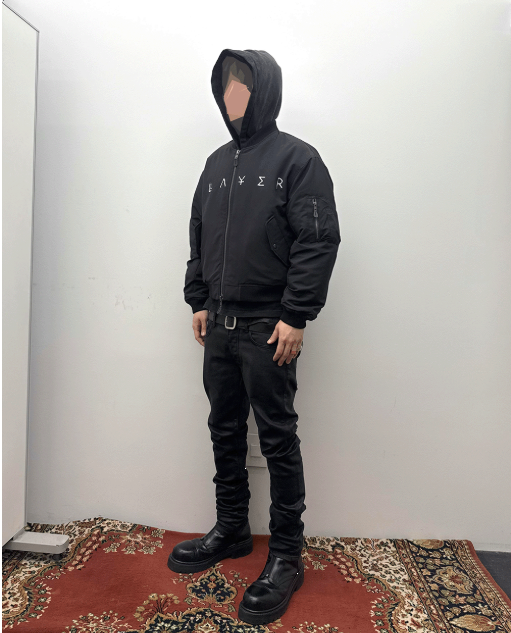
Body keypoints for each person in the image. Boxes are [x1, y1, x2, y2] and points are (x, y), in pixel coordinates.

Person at [168, 48, 341, 625]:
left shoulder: (298, 159)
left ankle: (287, 554)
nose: (232, 96)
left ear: (264, 89)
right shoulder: (215, 163)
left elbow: (318, 239)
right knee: (223, 429)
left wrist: (296, 314)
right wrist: (198, 298)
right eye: (225, 86)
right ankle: (232, 529)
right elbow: (198, 233)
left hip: (270, 327)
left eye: (242, 84)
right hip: (218, 325)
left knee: (277, 438)